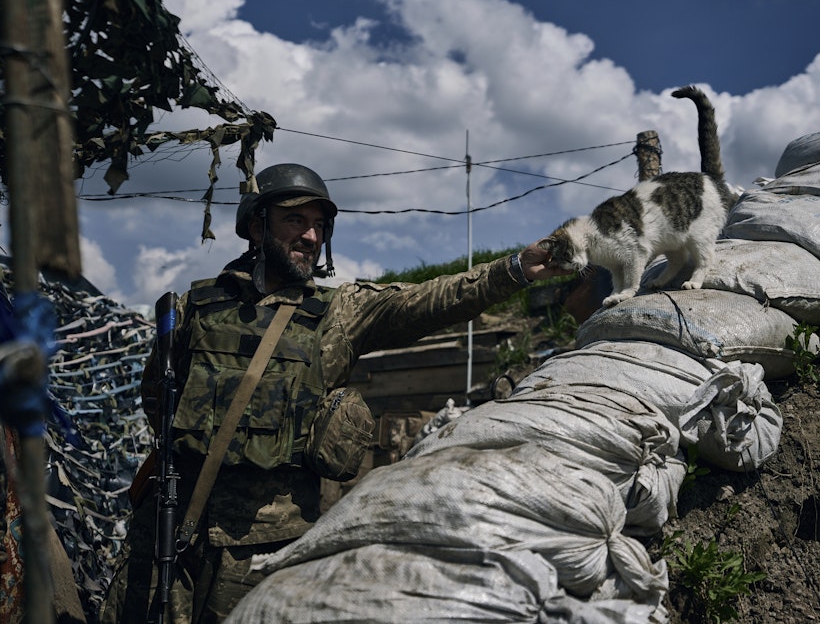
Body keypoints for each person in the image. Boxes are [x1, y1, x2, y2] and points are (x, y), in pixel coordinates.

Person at [100, 162, 568, 623]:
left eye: (319, 226)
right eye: (295, 220)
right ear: (257, 228)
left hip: (261, 547)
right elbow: (157, 398)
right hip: (168, 529)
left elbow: (425, 301)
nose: (310, 236)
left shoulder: (340, 313)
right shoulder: (194, 308)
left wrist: (514, 270)